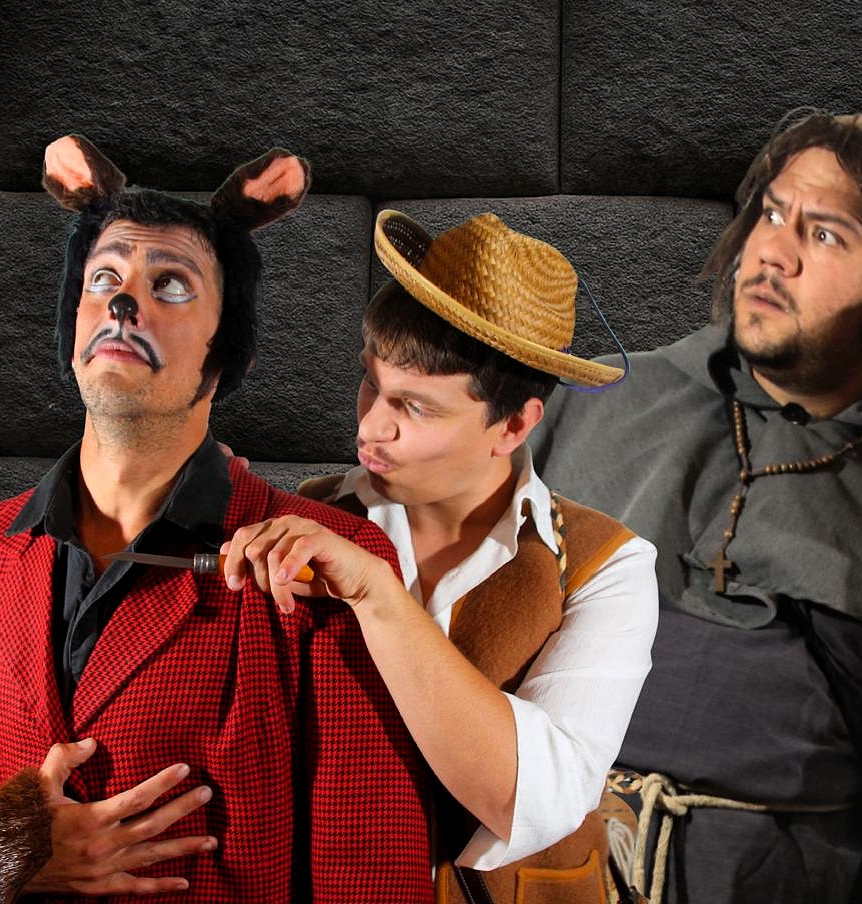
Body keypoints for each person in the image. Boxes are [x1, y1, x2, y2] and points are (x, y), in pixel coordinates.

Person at [0, 135, 432, 901]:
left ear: (229, 353)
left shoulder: (329, 567)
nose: (125, 303)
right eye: (104, 278)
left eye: (172, 285)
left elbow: (370, 867)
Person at [528, 109, 862, 903]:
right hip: (536, 872)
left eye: (827, 235)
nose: (773, 251)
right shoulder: (594, 398)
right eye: (773, 214)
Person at [222, 210, 659, 903]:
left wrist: (378, 596)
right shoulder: (305, 518)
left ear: (512, 425)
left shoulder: (607, 565)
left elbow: (540, 799)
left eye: (415, 408)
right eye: (370, 383)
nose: (371, 426)